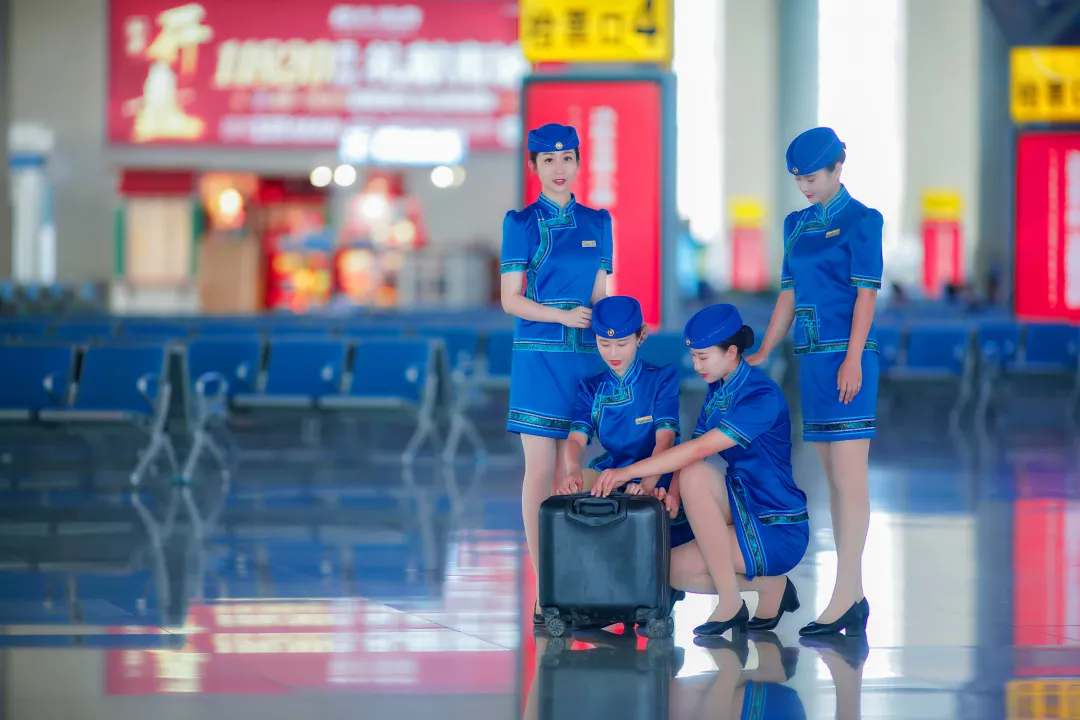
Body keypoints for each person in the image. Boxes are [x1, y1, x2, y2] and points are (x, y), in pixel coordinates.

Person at [593, 304, 809, 637]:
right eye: (693, 357)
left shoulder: (761, 396)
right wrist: (673, 494)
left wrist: (625, 473)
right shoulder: (719, 390)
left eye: (703, 357)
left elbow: (697, 450)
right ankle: (771, 587)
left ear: (731, 352)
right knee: (667, 569)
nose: (696, 366)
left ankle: (729, 602)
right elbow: (692, 448)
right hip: (740, 506)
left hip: (775, 523)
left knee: (695, 472)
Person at [746, 126, 882, 637]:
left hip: (848, 360)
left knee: (850, 478)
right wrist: (766, 348)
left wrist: (854, 360)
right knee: (832, 478)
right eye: (798, 179)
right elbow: (788, 294)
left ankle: (845, 593)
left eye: (811, 178)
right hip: (812, 361)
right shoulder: (795, 225)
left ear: (837, 168)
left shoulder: (864, 221)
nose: (804, 187)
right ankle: (854, 595)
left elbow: (866, 295)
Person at [499, 123, 613, 624]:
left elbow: (600, 296)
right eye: (548, 160)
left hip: (585, 360)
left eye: (567, 158)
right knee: (540, 472)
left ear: (579, 162)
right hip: (538, 358)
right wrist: (561, 316)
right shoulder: (520, 223)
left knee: (575, 471)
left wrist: (621, 330)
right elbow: (511, 299)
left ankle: (579, 577)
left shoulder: (598, 222)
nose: (559, 168)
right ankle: (547, 589)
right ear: (534, 167)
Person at [558, 295, 692, 548]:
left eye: (622, 344)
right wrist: (572, 469)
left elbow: (665, 440)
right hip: (613, 473)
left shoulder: (661, 379)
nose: (613, 353)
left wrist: (645, 485)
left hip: (660, 473)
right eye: (604, 343)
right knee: (572, 494)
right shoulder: (590, 388)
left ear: (641, 335)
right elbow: (576, 438)